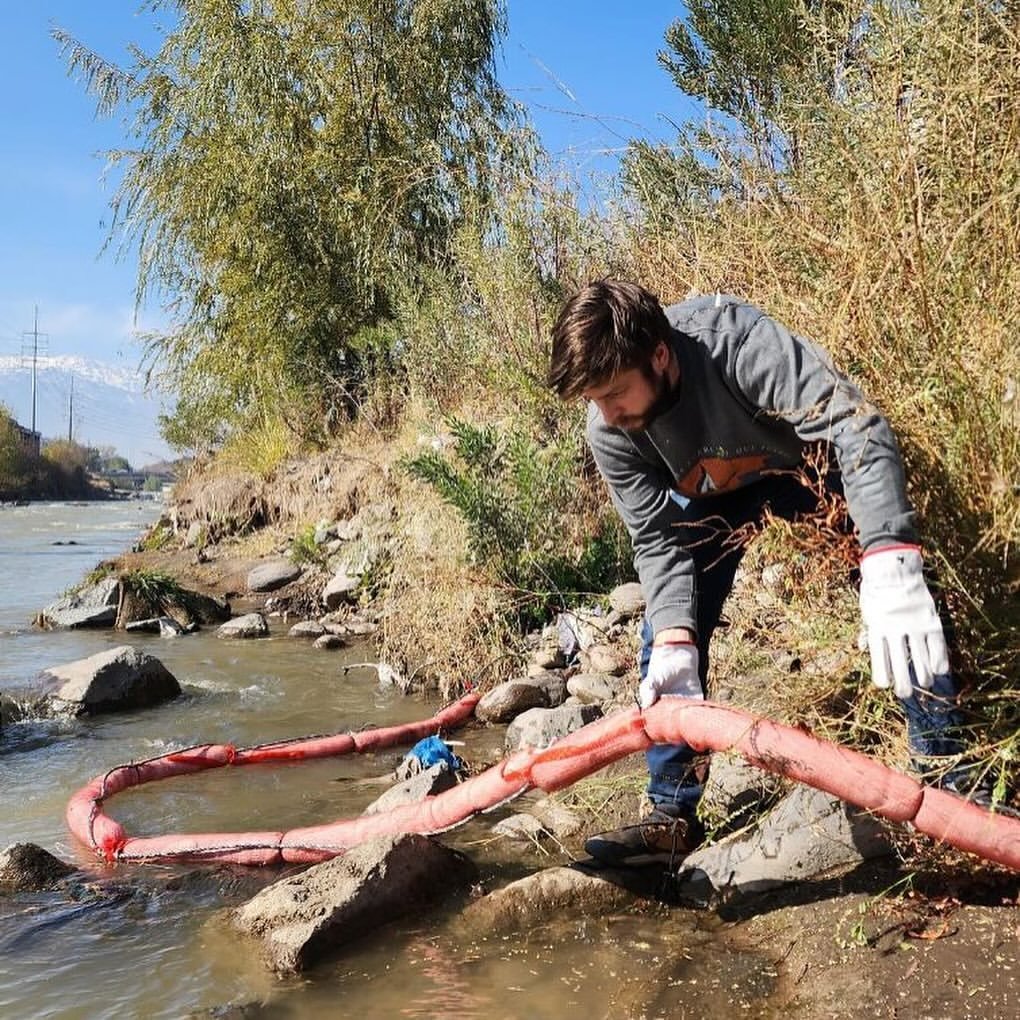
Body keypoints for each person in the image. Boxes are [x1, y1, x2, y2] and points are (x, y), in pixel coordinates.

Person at [548, 279, 985, 867]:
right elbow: (656, 538)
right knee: (667, 637)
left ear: (659, 356)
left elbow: (855, 426)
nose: (608, 413)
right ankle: (671, 818)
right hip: (710, 507)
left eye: (616, 393)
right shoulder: (612, 431)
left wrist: (890, 559)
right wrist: (677, 634)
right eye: (595, 400)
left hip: (806, 472)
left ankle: (953, 780)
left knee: (906, 607)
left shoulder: (733, 343)